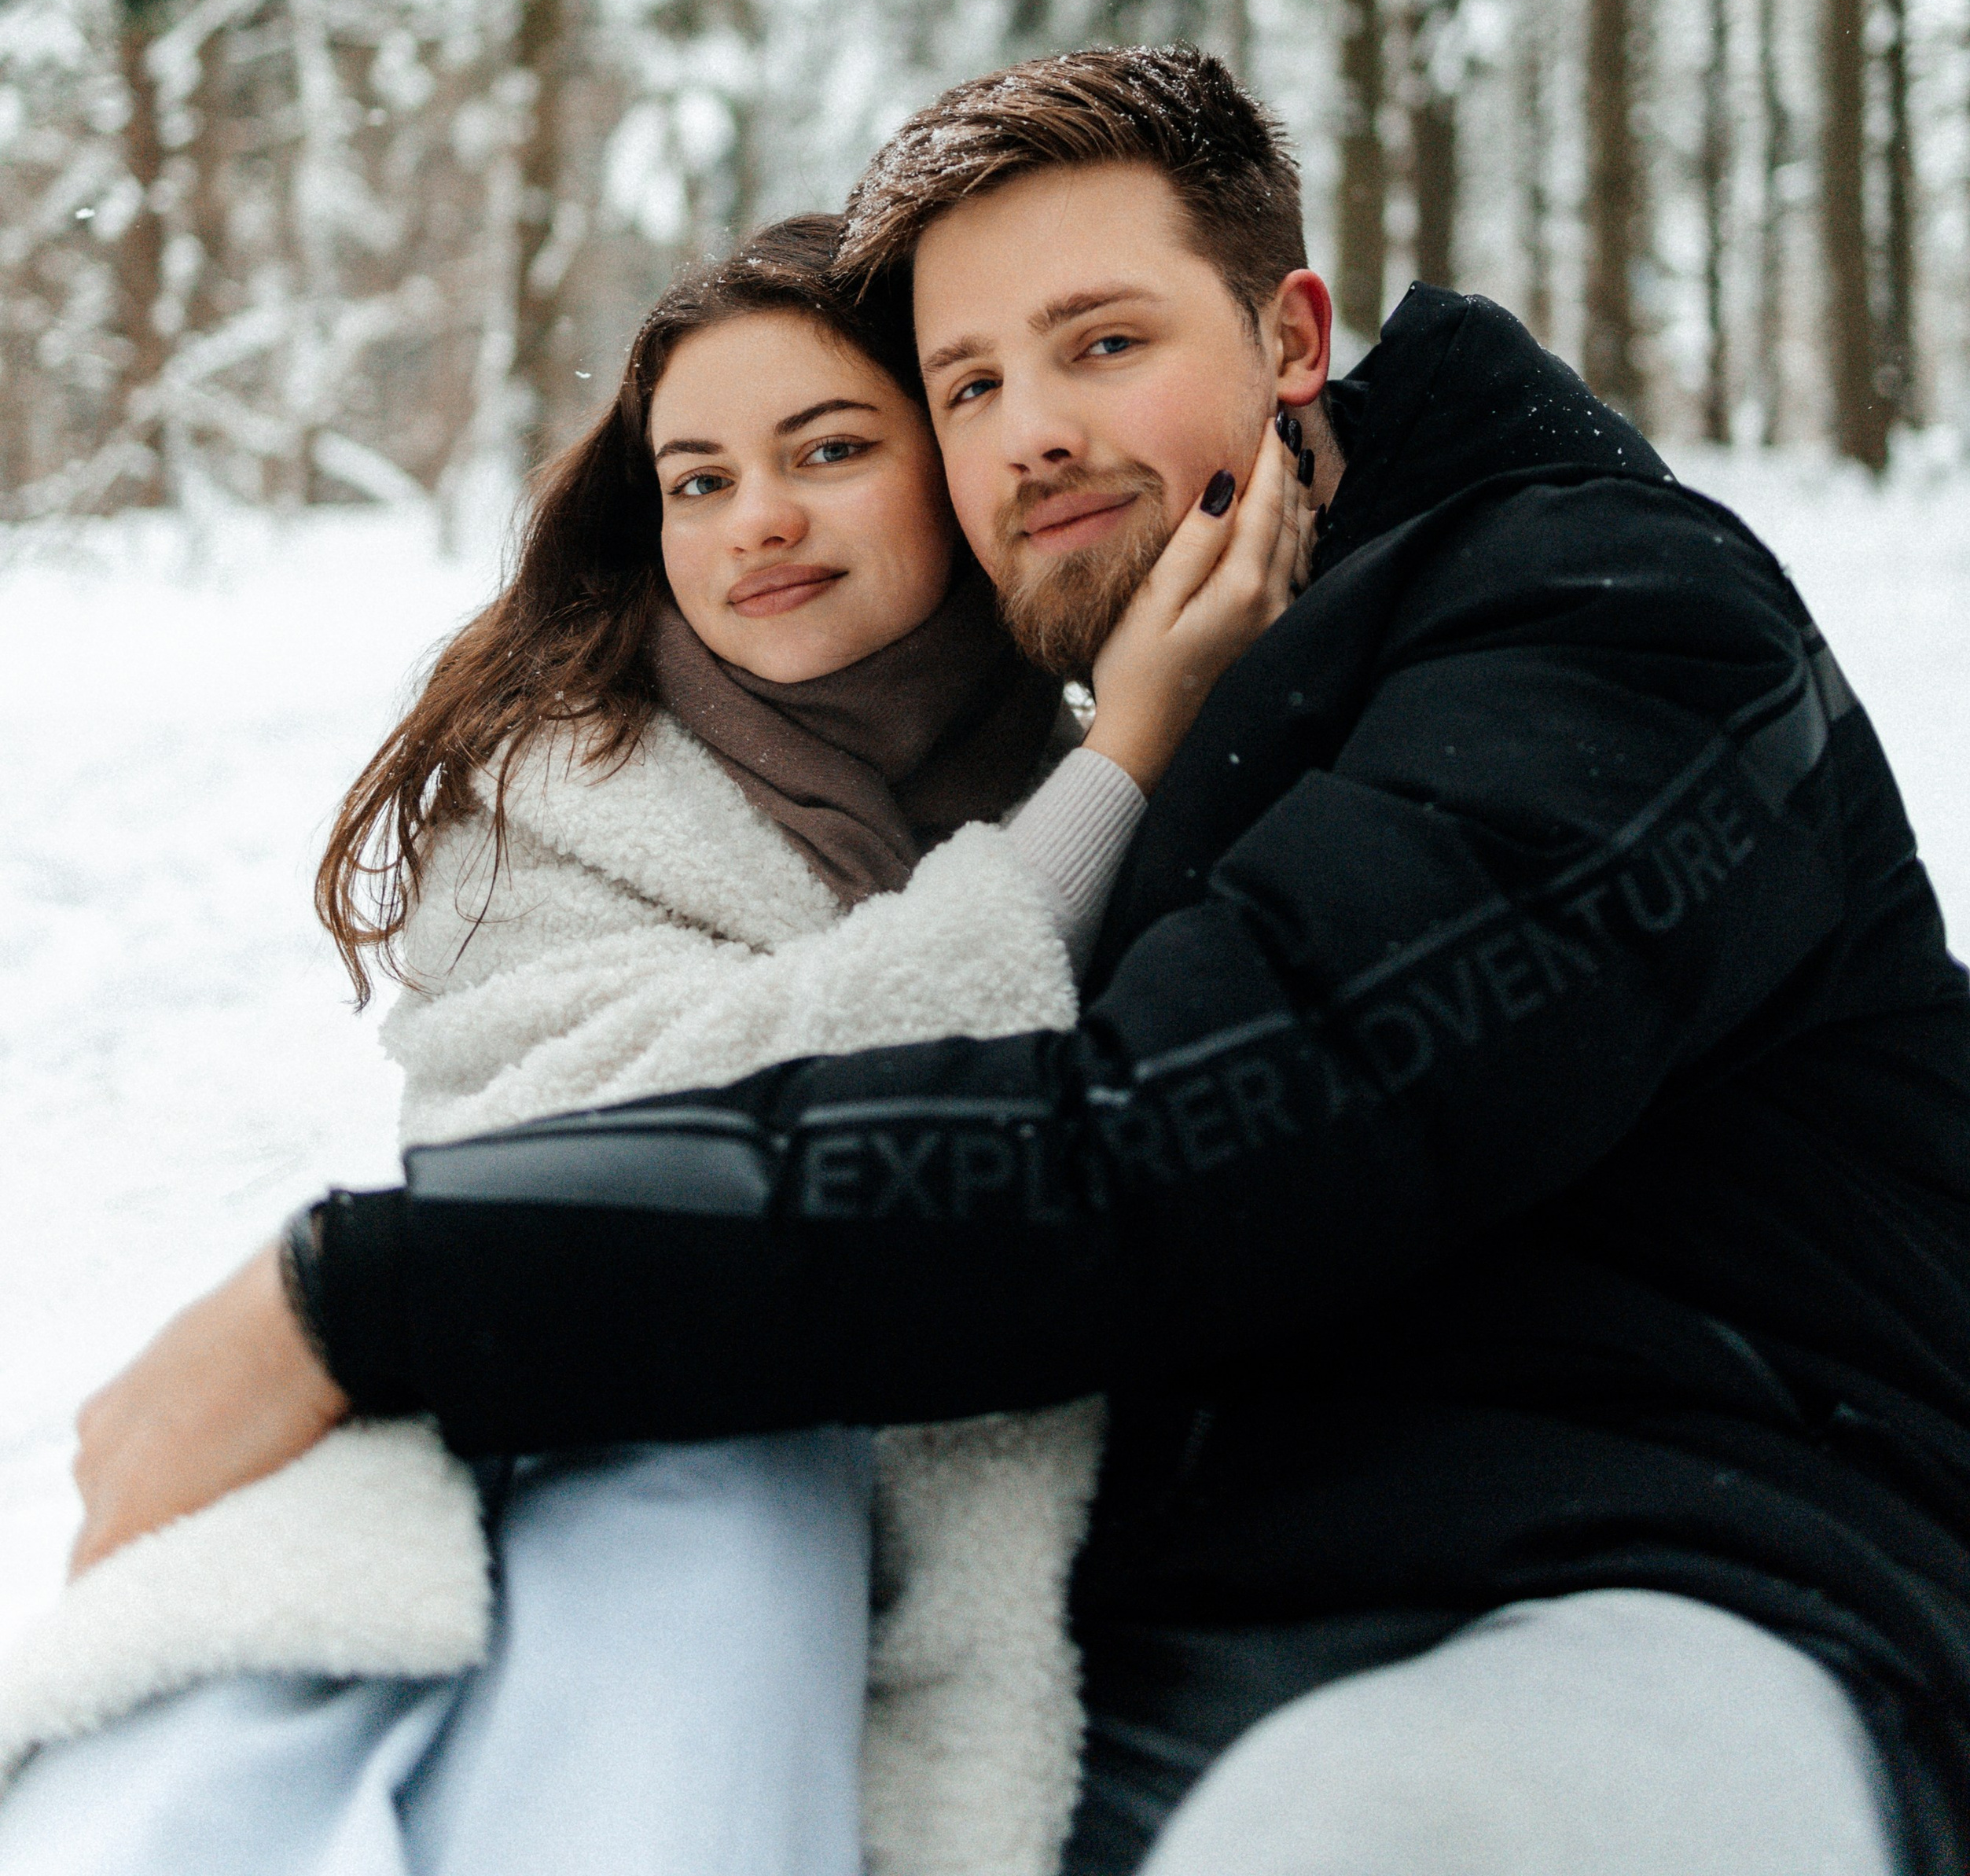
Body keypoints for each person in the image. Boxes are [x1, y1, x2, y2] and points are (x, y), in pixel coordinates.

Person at [40, 44, 1970, 1874]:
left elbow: (1172, 1142)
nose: (1034, 434)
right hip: (1194, 1627)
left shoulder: (1590, 616)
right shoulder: (1147, 714)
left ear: (1291, 336)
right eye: (971, 384)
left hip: (1698, 1573)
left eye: (1102, 342)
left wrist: (366, 1286)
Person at [0, 208, 1310, 1873]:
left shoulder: (1082, 774)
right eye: (696, 479)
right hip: (602, 1493)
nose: (753, 521)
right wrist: (1116, 770)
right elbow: (649, 1164)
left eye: (826, 449)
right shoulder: (556, 799)